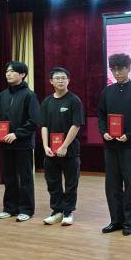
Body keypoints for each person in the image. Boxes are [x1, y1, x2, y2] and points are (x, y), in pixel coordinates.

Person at [98, 53, 131, 236]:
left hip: (130, 146)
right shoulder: (107, 92)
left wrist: (130, 135)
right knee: (112, 185)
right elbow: (101, 115)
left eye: (120, 69)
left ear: (128, 69)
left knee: (130, 185)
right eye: (113, 70)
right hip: (110, 146)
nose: (117, 73)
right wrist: (104, 132)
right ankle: (115, 221)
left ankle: (129, 222)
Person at [0, 61, 40, 222]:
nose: (8, 74)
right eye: (7, 71)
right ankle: (10, 208)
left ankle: (26, 209)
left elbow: (34, 121)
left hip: (23, 144)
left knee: (25, 178)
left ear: (22, 74)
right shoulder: (2, 95)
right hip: (5, 143)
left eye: (12, 71)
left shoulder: (29, 95)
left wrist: (17, 134)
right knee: (9, 176)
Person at [40, 67, 84, 226]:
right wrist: (45, 146)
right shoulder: (47, 101)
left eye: (63, 78)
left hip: (69, 150)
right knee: (52, 182)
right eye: (57, 78)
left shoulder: (74, 100)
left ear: (68, 81)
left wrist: (64, 146)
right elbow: (44, 125)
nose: (60, 80)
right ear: (51, 81)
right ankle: (57, 211)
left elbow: (76, 125)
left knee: (71, 182)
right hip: (51, 151)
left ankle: (68, 212)